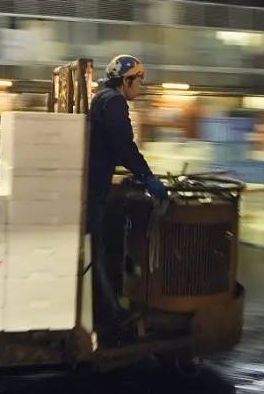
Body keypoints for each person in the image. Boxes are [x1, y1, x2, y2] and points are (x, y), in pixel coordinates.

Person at [87, 54, 168, 336]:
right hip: (94, 187)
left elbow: (111, 144)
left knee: (101, 249)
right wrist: (147, 176)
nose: (141, 87)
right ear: (126, 79)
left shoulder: (102, 97)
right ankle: (110, 316)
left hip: (96, 184)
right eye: (139, 80)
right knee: (95, 252)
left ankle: (106, 310)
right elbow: (124, 145)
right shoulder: (113, 101)